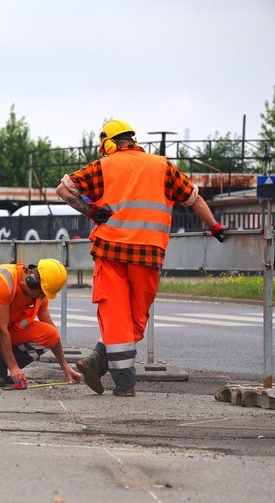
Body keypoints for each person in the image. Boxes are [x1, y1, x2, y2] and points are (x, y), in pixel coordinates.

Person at [55, 119, 228, 397]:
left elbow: (64, 190)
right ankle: (118, 377)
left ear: (109, 144)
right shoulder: (162, 167)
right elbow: (193, 199)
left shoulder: (104, 166)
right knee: (135, 319)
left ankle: (104, 364)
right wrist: (215, 228)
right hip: (148, 254)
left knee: (115, 314)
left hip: (110, 251)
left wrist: (91, 212)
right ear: (133, 140)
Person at [0, 258, 83, 388]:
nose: (41, 297)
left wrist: (65, 366)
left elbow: (52, 333)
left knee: (50, 334)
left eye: (44, 294)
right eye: (40, 292)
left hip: (3, 330)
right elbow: (1, 328)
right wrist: (14, 367)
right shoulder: (3, 281)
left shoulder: (39, 295)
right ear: (32, 280)